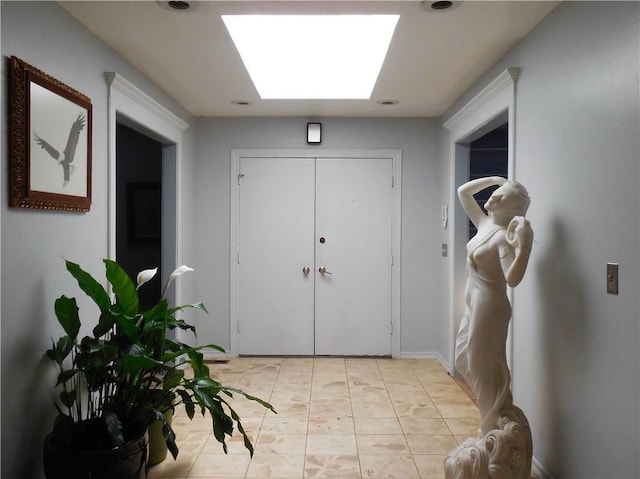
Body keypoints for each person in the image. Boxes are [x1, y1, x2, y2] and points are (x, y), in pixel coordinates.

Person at [454, 176, 533, 436]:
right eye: (497, 192)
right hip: (474, 304)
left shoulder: (501, 238)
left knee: (482, 365)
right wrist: (493, 180)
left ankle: (490, 428)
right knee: (463, 359)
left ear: (511, 210)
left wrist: (525, 246)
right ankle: (493, 411)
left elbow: (512, 278)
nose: (495, 196)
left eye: (503, 196)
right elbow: (463, 192)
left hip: (490, 309)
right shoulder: (485, 223)